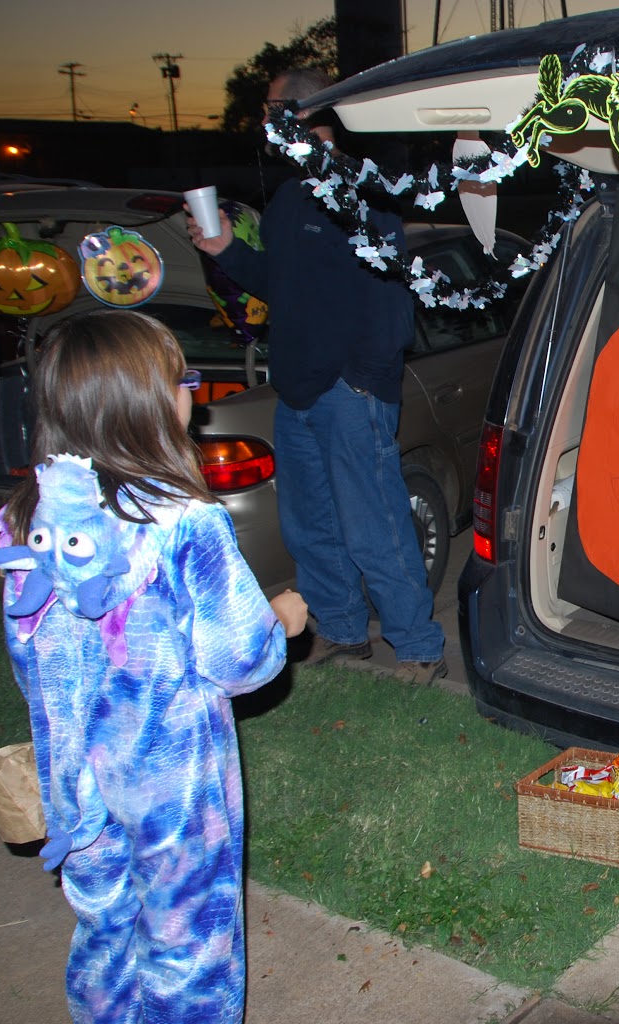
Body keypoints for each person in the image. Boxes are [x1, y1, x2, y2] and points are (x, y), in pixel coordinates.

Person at [0, 309, 308, 1024]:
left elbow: (25, 654)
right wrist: (281, 618)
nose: (190, 392)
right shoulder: (182, 521)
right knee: (188, 933)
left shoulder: (20, 523)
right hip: (172, 782)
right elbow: (241, 659)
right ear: (148, 403)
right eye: (181, 379)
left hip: (76, 779)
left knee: (104, 921)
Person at [186, 67, 447, 685]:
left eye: (273, 108)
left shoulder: (361, 193)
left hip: (349, 392)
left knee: (374, 525)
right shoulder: (290, 197)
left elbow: (391, 303)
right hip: (297, 391)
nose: (264, 121)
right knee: (310, 528)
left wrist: (363, 380)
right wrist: (228, 252)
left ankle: (416, 645)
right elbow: (281, 286)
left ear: (306, 112)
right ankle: (341, 630)